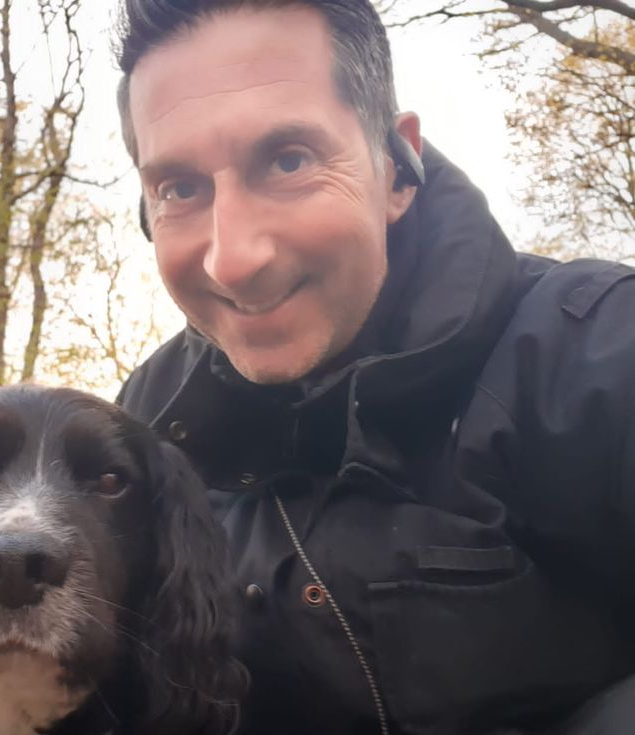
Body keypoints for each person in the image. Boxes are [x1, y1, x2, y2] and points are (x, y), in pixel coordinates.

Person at [112, 1, 635, 733]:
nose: (233, 258)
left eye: (288, 161)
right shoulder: (139, 433)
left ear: (396, 169)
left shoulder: (597, 351)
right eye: (178, 189)